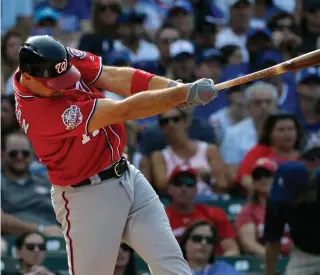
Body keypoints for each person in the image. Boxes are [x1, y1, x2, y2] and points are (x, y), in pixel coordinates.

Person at [14, 34, 219, 275]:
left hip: (126, 176)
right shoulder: (39, 114)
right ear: (28, 78)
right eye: (54, 84)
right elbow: (123, 109)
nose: (64, 85)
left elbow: (114, 76)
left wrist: (173, 87)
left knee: (172, 266)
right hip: (87, 198)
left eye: (64, 77)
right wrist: (178, 96)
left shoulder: (54, 59)